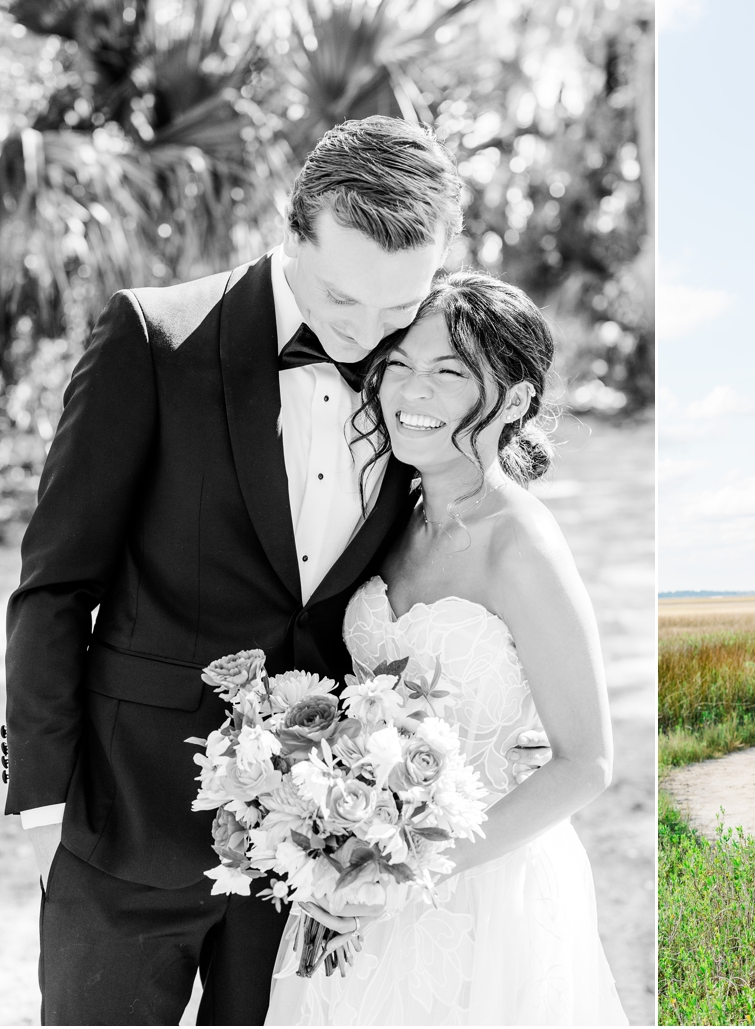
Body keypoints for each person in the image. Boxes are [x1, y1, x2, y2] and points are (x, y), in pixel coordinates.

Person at [3, 116, 459, 1024]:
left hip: (314, 854)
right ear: (292, 232)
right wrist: (45, 806)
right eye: (341, 300)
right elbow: (56, 583)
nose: (367, 334)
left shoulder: (417, 387)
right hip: (126, 822)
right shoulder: (153, 336)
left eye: (398, 309)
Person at [264, 273, 628, 1025]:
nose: (410, 390)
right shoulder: (390, 512)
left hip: (483, 888)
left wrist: (406, 871)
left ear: (518, 401)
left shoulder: (520, 544)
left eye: (449, 372)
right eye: (400, 363)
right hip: (352, 870)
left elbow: (586, 761)